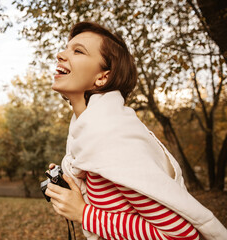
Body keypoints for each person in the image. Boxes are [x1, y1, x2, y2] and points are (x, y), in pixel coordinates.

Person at [44, 21, 227, 240]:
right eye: (66, 47)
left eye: (78, 51)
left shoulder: (111, 139)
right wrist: (72, 180)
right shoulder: (91, 136)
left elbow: (180, 234)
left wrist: (84, 213)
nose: (60, 54)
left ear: (103, 77)